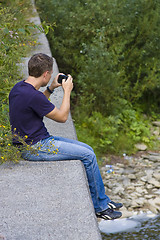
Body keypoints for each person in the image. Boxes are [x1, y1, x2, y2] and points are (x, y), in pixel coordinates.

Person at [9, 53, 123, 220]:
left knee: (88, 149)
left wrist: (50, 88)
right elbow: (62, 117)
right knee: (89, 155)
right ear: (46, 74)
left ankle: (102, 199)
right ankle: (100, 208)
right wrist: (67, 91)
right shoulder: (32, 95)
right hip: (35, 147)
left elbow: (36, 104)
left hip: (34, 141)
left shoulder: (19, 88)